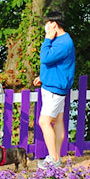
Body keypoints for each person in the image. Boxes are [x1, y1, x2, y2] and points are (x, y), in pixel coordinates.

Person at [35, 11, 76, 169]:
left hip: (55, 89)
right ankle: (55, 156)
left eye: (47, 22)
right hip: (53, 85)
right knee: (58, 122)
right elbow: (54, 64)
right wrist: (43, 77)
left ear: (53, 24)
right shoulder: (61, 40)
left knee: (44, 122)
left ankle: (54, 159)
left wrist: (47, 39)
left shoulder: (63, 43)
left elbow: (45, 58)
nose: (46, 26)